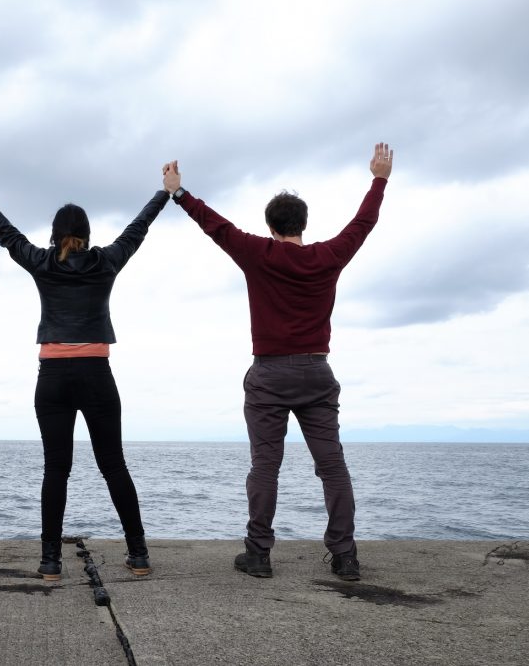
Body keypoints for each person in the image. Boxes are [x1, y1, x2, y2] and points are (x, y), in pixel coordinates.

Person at [163, 143, 394, 581]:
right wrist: (379, 179)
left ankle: (259, 555)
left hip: (268, 374)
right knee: (332, 467)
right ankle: (345, 557)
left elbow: (217, 226)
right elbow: (364, 224)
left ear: (271, 227)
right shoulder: (327, 257)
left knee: (265, 466)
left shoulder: (258, 253)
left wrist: (178, 192)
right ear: (303, 225)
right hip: (316, 372)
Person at [0, 160, 166, 580]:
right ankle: (138, 554)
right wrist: (166, 191)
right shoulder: (105, 262)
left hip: (52, 378)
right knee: (114, 465)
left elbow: (6, 232)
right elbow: (137, 229)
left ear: (54, 235)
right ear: (87, 235)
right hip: (96, 374)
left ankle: (50, 561)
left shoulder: (43, 262)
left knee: (56, 468)